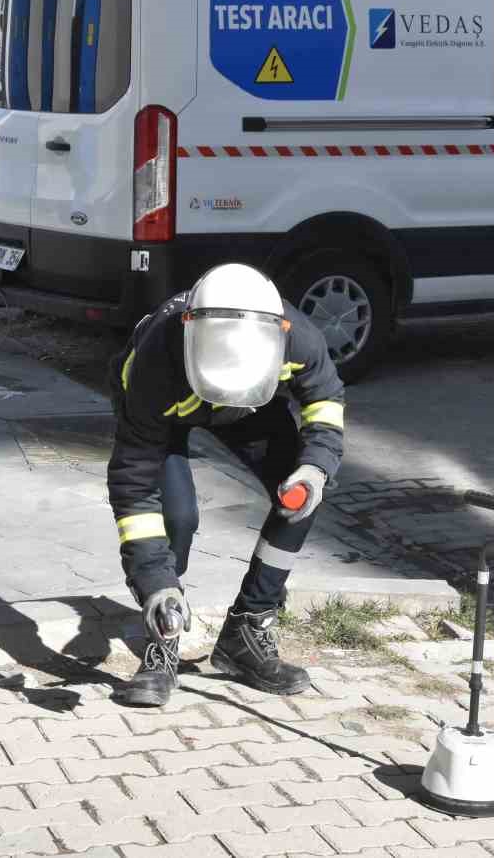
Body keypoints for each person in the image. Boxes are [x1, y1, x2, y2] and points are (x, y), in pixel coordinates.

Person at [107, 263, 345, 707]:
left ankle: (247, 632)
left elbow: (326, 400)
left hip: (252, 404)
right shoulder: (154, 364)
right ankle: (164, 637)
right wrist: (155, 581)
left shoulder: (298, 337)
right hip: (170, 409)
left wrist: (314, 466)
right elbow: (134, 487)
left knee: (301, 496)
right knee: (176, 517)